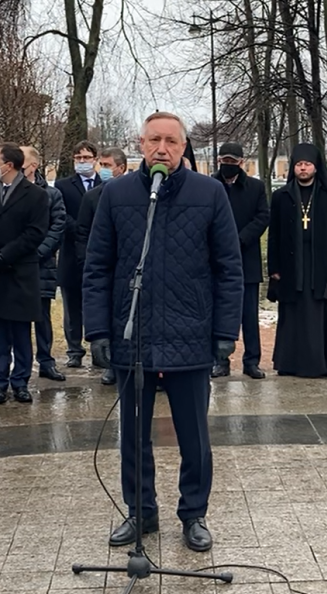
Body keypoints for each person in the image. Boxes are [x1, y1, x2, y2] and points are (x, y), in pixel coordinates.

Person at [83, 111, 243, 553]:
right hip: (133, 335)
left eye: (171, 141)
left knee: (194, 436)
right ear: (140, 144)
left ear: (183, 147)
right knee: (134, 436)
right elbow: (97, 267)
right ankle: (140, 511)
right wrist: (97, 330)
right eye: (154, 140)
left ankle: (194, 513)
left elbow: (229, 269)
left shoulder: (209, 193)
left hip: (190, 332)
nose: (161, 149)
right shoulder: (116, 195)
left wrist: (225, 331)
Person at [267, 143, 327, 378]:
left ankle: (323, 363)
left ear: (316, 167)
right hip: (290, 264)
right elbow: (273, 234)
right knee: (292, 312)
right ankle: (288, 363)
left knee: (319, 312)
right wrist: (274, 267)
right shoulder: (281, 197)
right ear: (293, 168)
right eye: (299, 164)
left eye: (307, 164)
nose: (303, 168)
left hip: (321, 264)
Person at [0, 144, 50, 405]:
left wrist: (6, 255)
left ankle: (20, 382)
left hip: (20, 271)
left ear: (9, 165)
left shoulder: (36, 195)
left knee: (20, 332)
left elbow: (35, 232)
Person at [211, 142, 270, 379]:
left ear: (241, 163)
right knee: (219, 313)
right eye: (224, 161)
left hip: (247, 259)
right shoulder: (210, 186)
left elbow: (263, 216)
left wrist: (240, 239)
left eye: (232, 162)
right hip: (217, 260)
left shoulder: (255, 187)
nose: (228, 165)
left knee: (249, 315)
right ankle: (220, 361)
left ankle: (252, 361)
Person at [75, 147, 129, 384]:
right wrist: (86, 262)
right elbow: (82, 233)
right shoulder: (92, 197)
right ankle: (112, 365)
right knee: (108, 316)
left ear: (121, 168)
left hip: (127, 267)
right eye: (102, 165)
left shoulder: (133, 194)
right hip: (102, 267)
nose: (103, 169)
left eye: (108, 166)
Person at [55, 141, 103, 369]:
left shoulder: (106, 185)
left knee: (97, 305)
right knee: (72, 307)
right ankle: (74, 350)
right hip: (71, 254)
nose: (82, 161)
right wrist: (83, 229)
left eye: (86, 157)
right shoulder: (63, 186)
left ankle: (99, 351)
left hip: (99, 252)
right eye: (78, 158)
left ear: (95, 159)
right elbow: (61, 214)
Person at [22, 146, 67, 383]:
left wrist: (38, 252)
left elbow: (58, 226)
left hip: (41, 264)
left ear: (33, 166)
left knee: (42, 316)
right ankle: (11, 364)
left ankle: (46, 361)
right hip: (13, 265)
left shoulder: (51, 194)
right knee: (13, 318)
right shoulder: (4, 191)